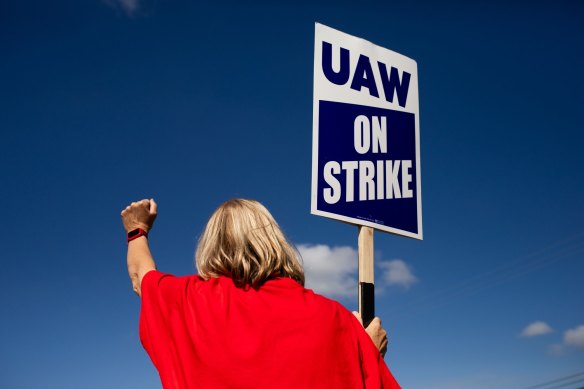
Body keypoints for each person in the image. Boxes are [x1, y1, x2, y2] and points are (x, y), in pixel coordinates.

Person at [121, 198, 401, 389]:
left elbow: (140, 275)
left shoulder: (183, 301)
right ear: (275, 240)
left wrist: (137, 229)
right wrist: (366, 357)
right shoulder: (335, 317)